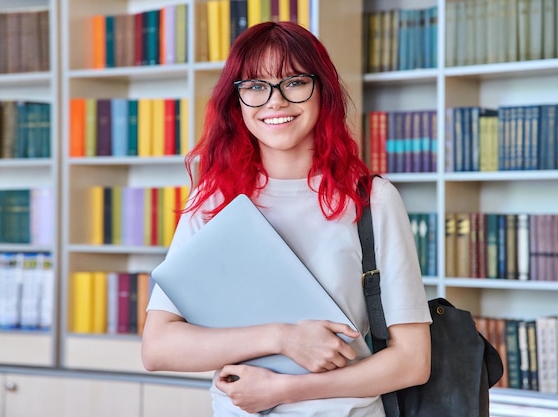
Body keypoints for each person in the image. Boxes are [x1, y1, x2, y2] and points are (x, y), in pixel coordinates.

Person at [141, 21, 431, 416]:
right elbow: (158, 348)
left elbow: (413, 361)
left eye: (293, 82)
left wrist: (285, 390)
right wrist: (282, 338)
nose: (274, 101)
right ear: (237, 101)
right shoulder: (212, 200)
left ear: (322, 90)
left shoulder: (371, 199)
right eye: (256, 87)